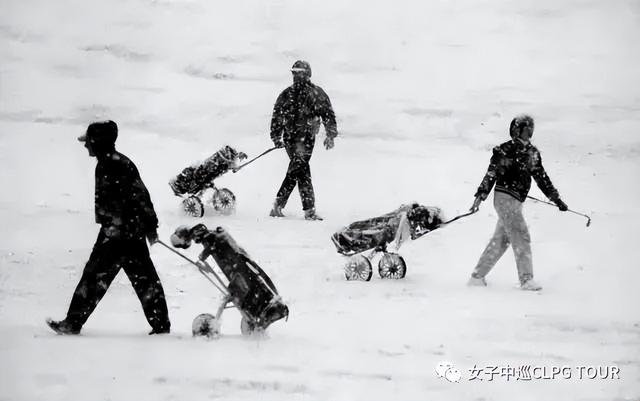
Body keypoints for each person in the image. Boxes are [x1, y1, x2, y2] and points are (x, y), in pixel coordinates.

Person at [47, 121, 171, 335]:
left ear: (98, 142)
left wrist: (149, 226)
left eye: (88, 142)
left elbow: (140, 196)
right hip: (124, 231)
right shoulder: (111, 162)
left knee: (95, 277)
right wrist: (147, 226)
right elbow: (141, 196)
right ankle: (161, 325)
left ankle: (73, 323)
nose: (86, 146)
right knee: (144, 280)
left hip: (119, 234)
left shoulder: (115, 165)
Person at [467, 115, 568, 291]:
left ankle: (477, 277)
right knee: (521, 235)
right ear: (517, 130)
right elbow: (491, 174)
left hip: (515, 200)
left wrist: (556, 199)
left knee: (502, 239)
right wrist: (480, 197)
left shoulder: (532, 153)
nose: (530, 131)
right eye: (527, 128)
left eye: (532, 128)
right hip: (504, 198)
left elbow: (541, 178)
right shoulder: (505, 150)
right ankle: (526, 279)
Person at [269, 60, 338, 221]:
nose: (296, 76)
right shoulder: (286, 94)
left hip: (307, 139)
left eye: (299, 72)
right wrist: (276, 137)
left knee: (300, 170)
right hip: (290, 139)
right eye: (294, 73)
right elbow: (277, 117)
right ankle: (306, 210)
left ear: (307, 74)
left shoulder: (317, 93)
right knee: (300, 168)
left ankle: (282, 206)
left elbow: (328, 114)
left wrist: (330, 135)